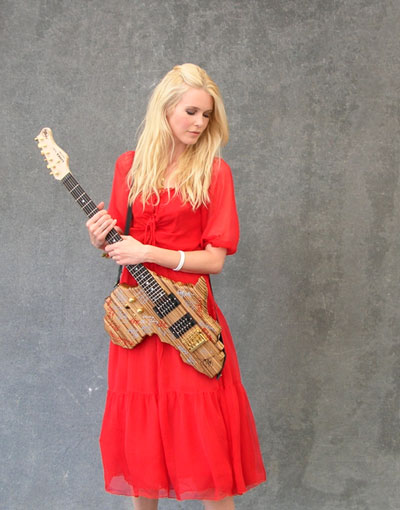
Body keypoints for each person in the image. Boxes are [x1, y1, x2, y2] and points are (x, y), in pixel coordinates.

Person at [86, 63, 266, 510]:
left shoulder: (214, 173)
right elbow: (118, 245)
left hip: (188, 318)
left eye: (206, 115)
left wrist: (149, 251)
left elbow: (215, 260)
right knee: (141, 443)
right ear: (165, 109)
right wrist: (100, 239)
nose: (199, 123)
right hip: (136, 322)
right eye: (191, 111)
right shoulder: (128, 166)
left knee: (205, 444)